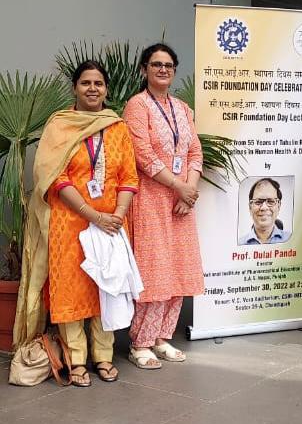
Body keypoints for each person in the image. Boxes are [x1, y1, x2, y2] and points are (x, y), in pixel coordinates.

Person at [14, 61, 139, 387]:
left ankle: (104, 357)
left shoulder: (117, 127)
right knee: (71, 292)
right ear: (75, 88)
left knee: (105, 289)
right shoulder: (60, 125)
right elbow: (54, 176)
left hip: (110, 225)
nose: (93, 88)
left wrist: (117, 215)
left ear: (106, 89)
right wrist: (92, 214)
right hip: (69, 223)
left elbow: (128, 175)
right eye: (86, 83)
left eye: (99, 83)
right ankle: (77, 361)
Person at [123, 43, 204, 370]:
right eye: (156, 64)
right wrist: (179, 187)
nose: (163, 69)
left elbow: (195, 152)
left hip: (182, 202)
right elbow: (143, 156)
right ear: (144, 69)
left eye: (168, 65)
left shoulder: (183, 109)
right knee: (155, 271)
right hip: (152, 200)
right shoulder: (136, 106)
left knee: (179, 269)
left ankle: (161, 337)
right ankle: (140, 342)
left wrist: (190, 190)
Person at [238, 178, 291, 245]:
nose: (264, 207)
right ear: (250, 207)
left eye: (271, 201)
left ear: (279, 206)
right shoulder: (240, 244)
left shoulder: (292, 240)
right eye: (258, 201)